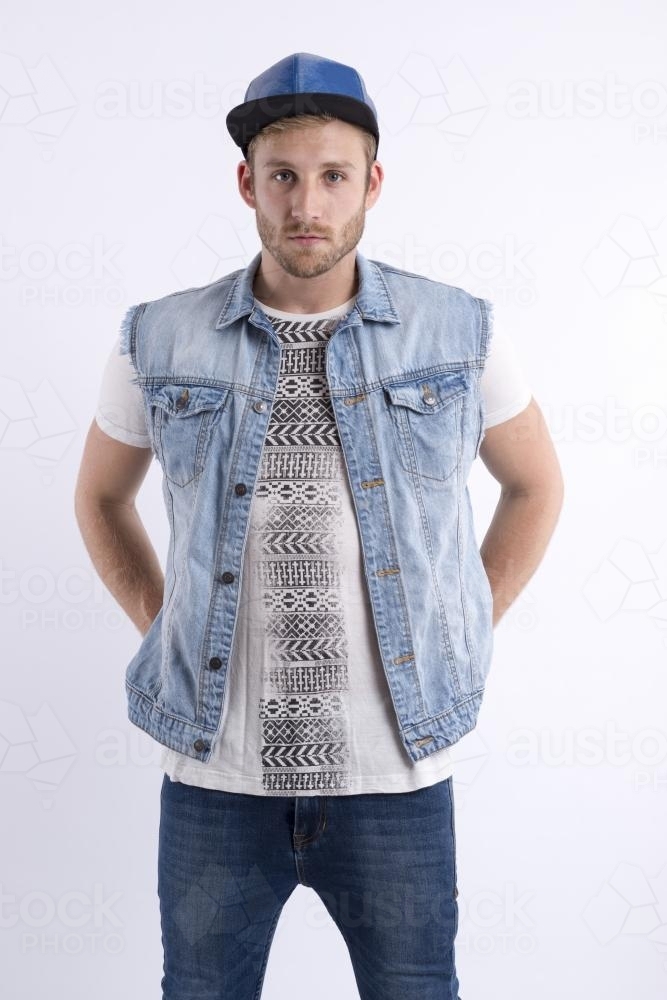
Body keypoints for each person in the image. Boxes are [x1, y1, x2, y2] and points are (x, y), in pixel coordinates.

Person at [74, 52, 563, 1000]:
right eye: (284, 176)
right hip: (216, 775)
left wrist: (455, 620)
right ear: (247, 181)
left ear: (371, 183)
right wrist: (161, 620)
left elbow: (536, 485)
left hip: (397, 780)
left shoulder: (459, 332)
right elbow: (99, 497)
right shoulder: (159, 337)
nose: (307, 204)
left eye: (334, 176)